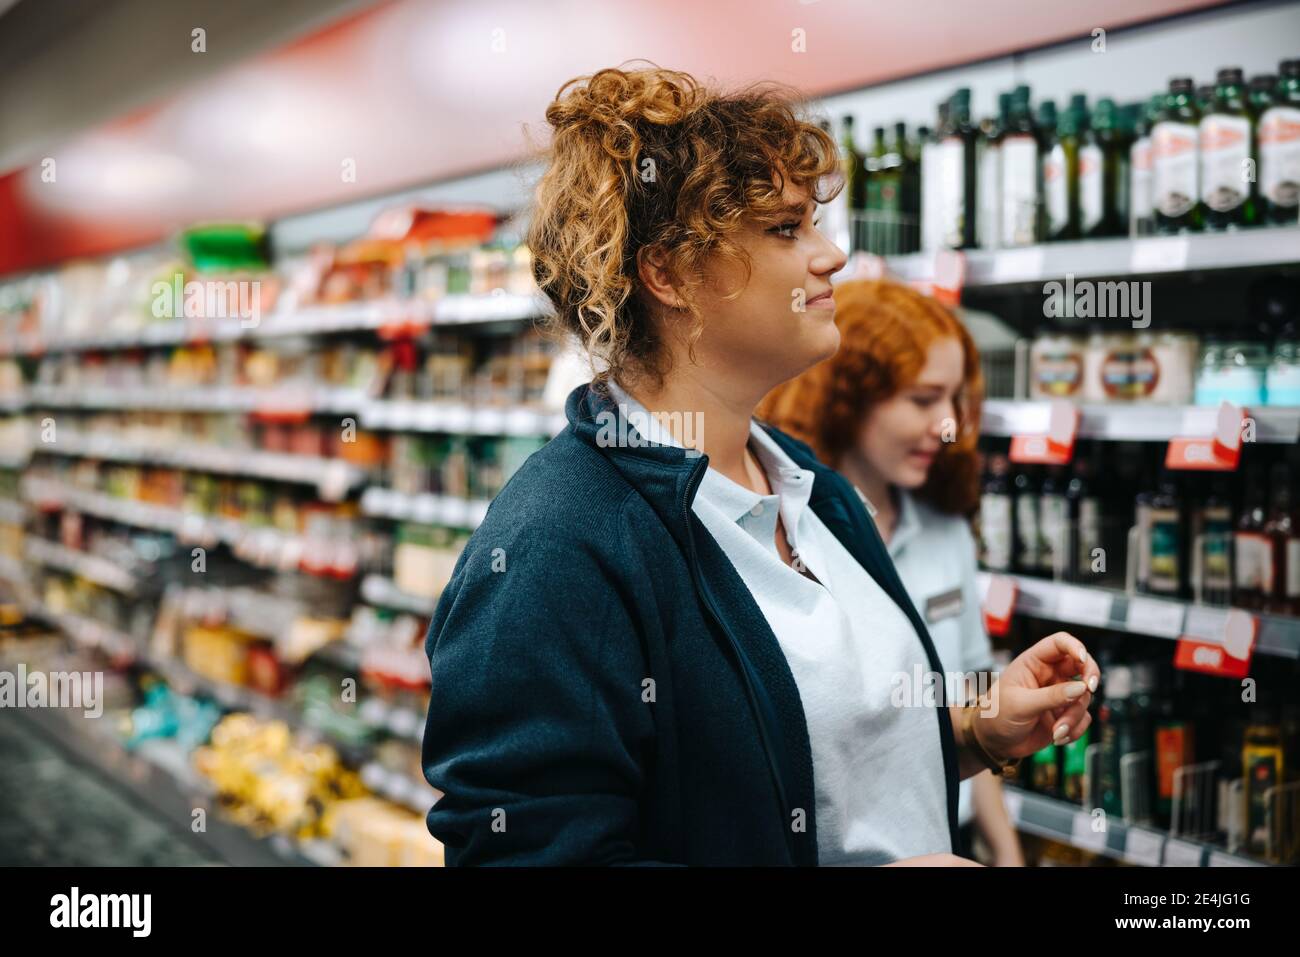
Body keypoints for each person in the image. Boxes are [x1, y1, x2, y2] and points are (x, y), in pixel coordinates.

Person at [421, 64, 1099, 866]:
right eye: (787, 229)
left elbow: (799, 777)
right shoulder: (559, 544)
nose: (833, 255)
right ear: (668, 272)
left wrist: (976, 731)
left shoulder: (815, 493)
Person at [757, 278, 1025, 865]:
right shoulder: (787, 530)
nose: (948, 424)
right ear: (848, 396)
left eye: (955, 400)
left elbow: (969, 695)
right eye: (923, 399)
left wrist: (1006, 854)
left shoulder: (946, 526)